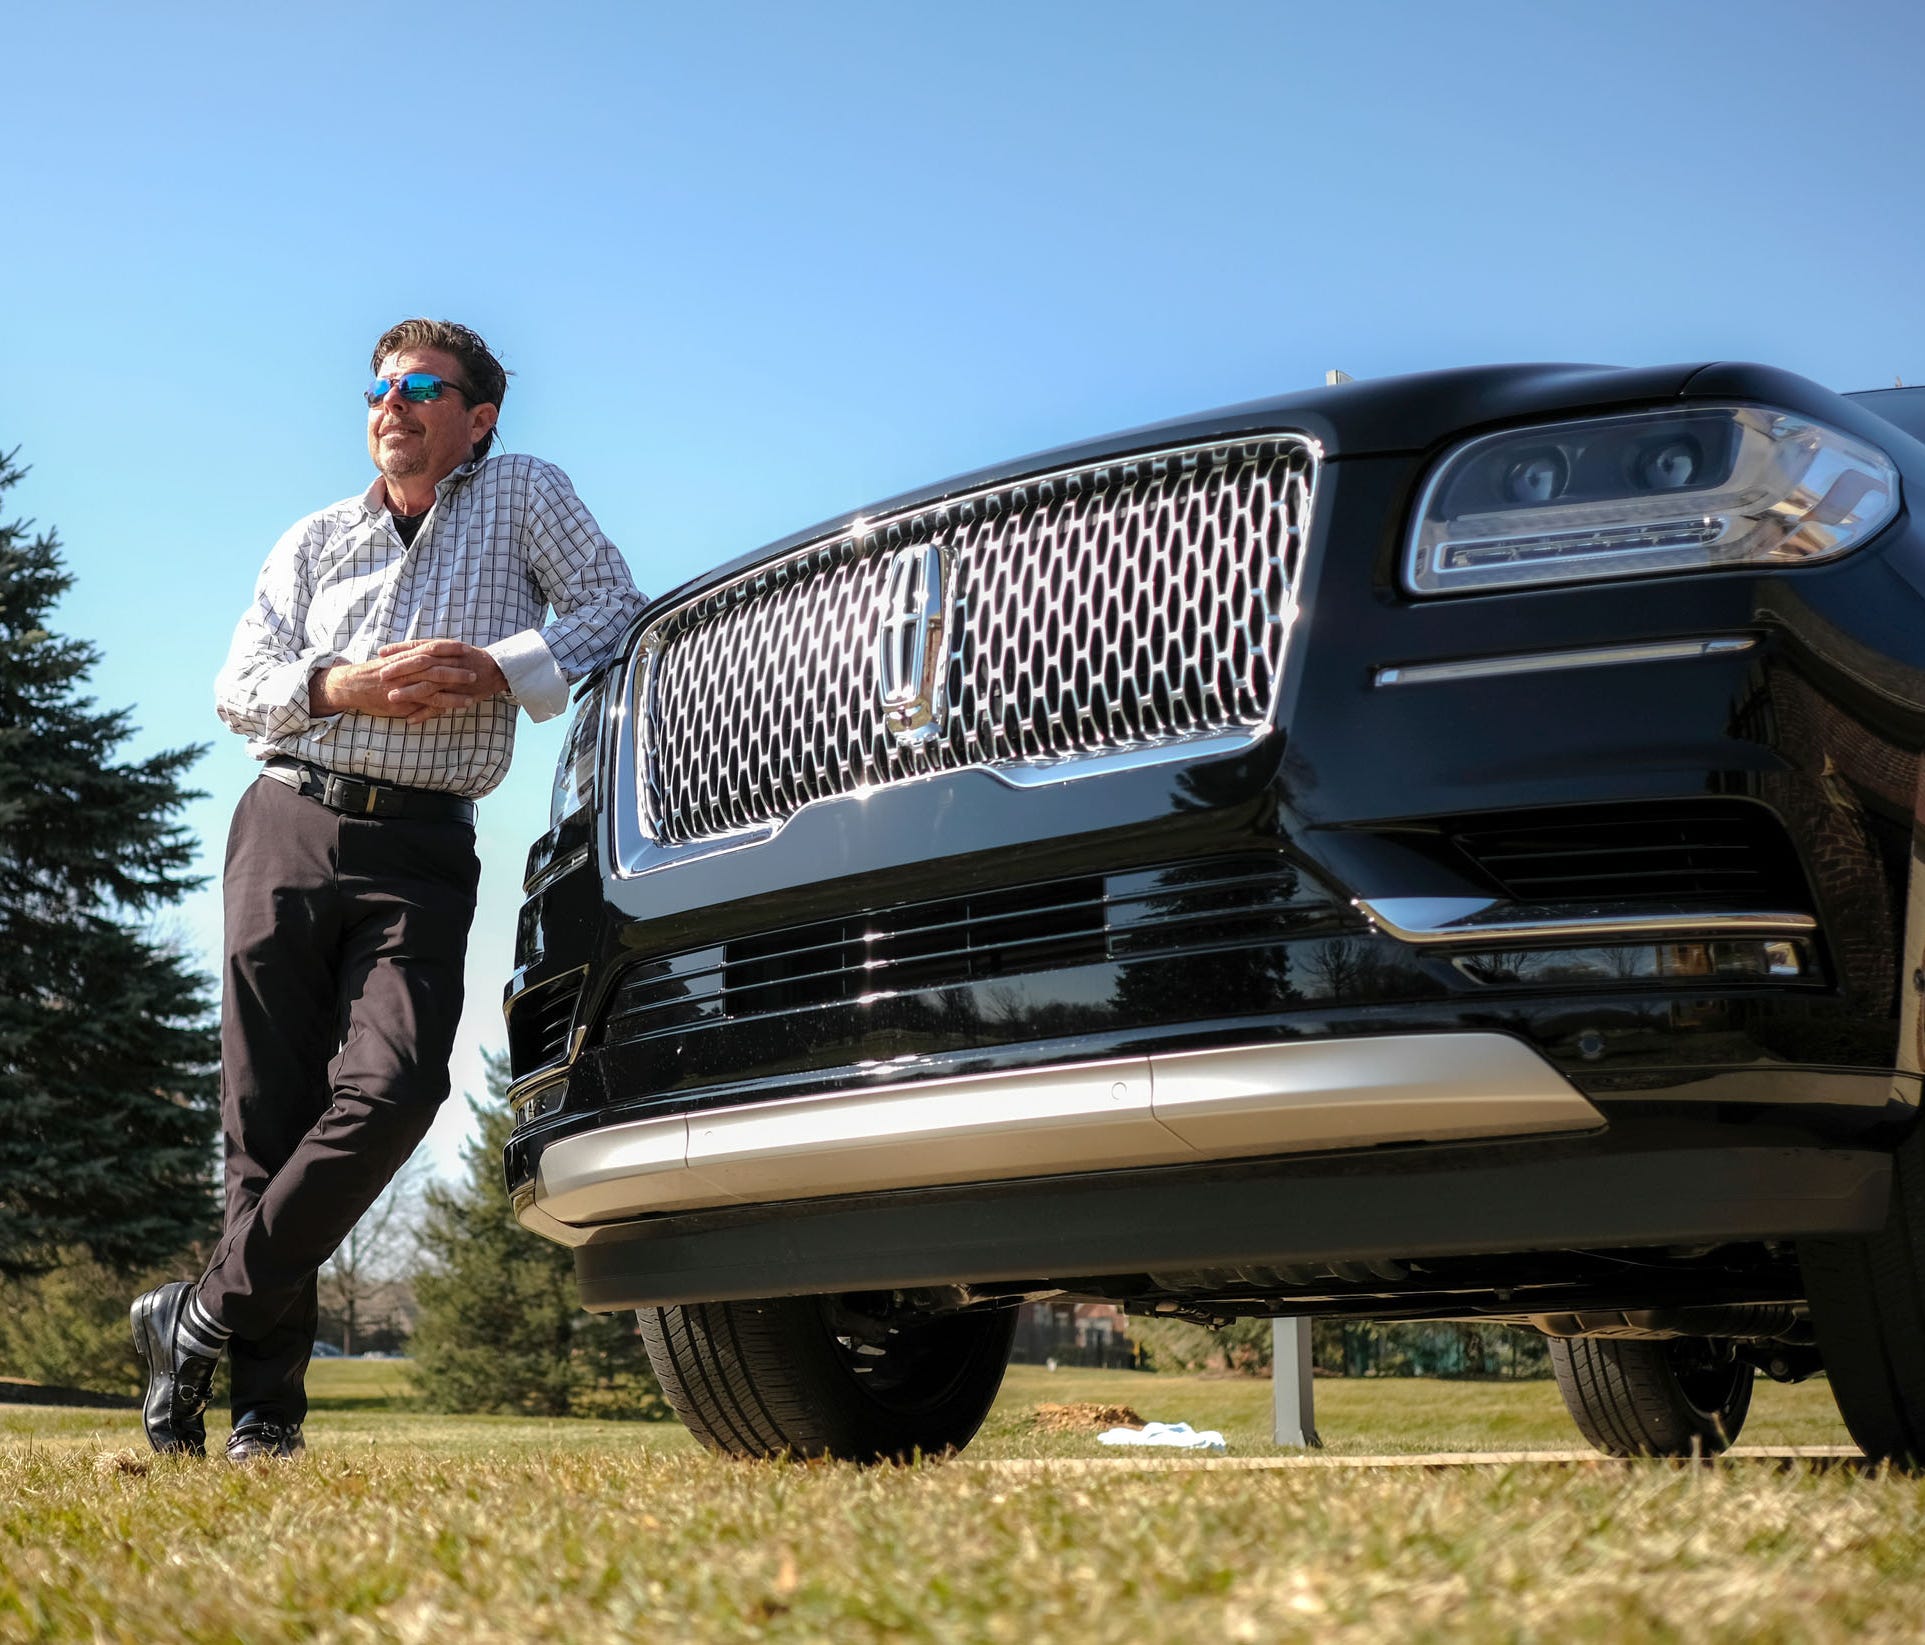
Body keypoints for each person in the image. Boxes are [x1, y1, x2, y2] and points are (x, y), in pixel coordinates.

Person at [131, 319, 645, 1460]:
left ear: (479, 416)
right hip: (286, 823)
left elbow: (615, 605)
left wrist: (503, 668)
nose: (391, 403)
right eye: (378, 386)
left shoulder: (522, 491)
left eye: (420, 385)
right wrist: (341, 686)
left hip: (422, 848)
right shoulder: (315, 538)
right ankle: (264, 1416)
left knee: (397, 1086)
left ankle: (195, 1317)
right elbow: (239, 683)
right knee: (264, 1120)